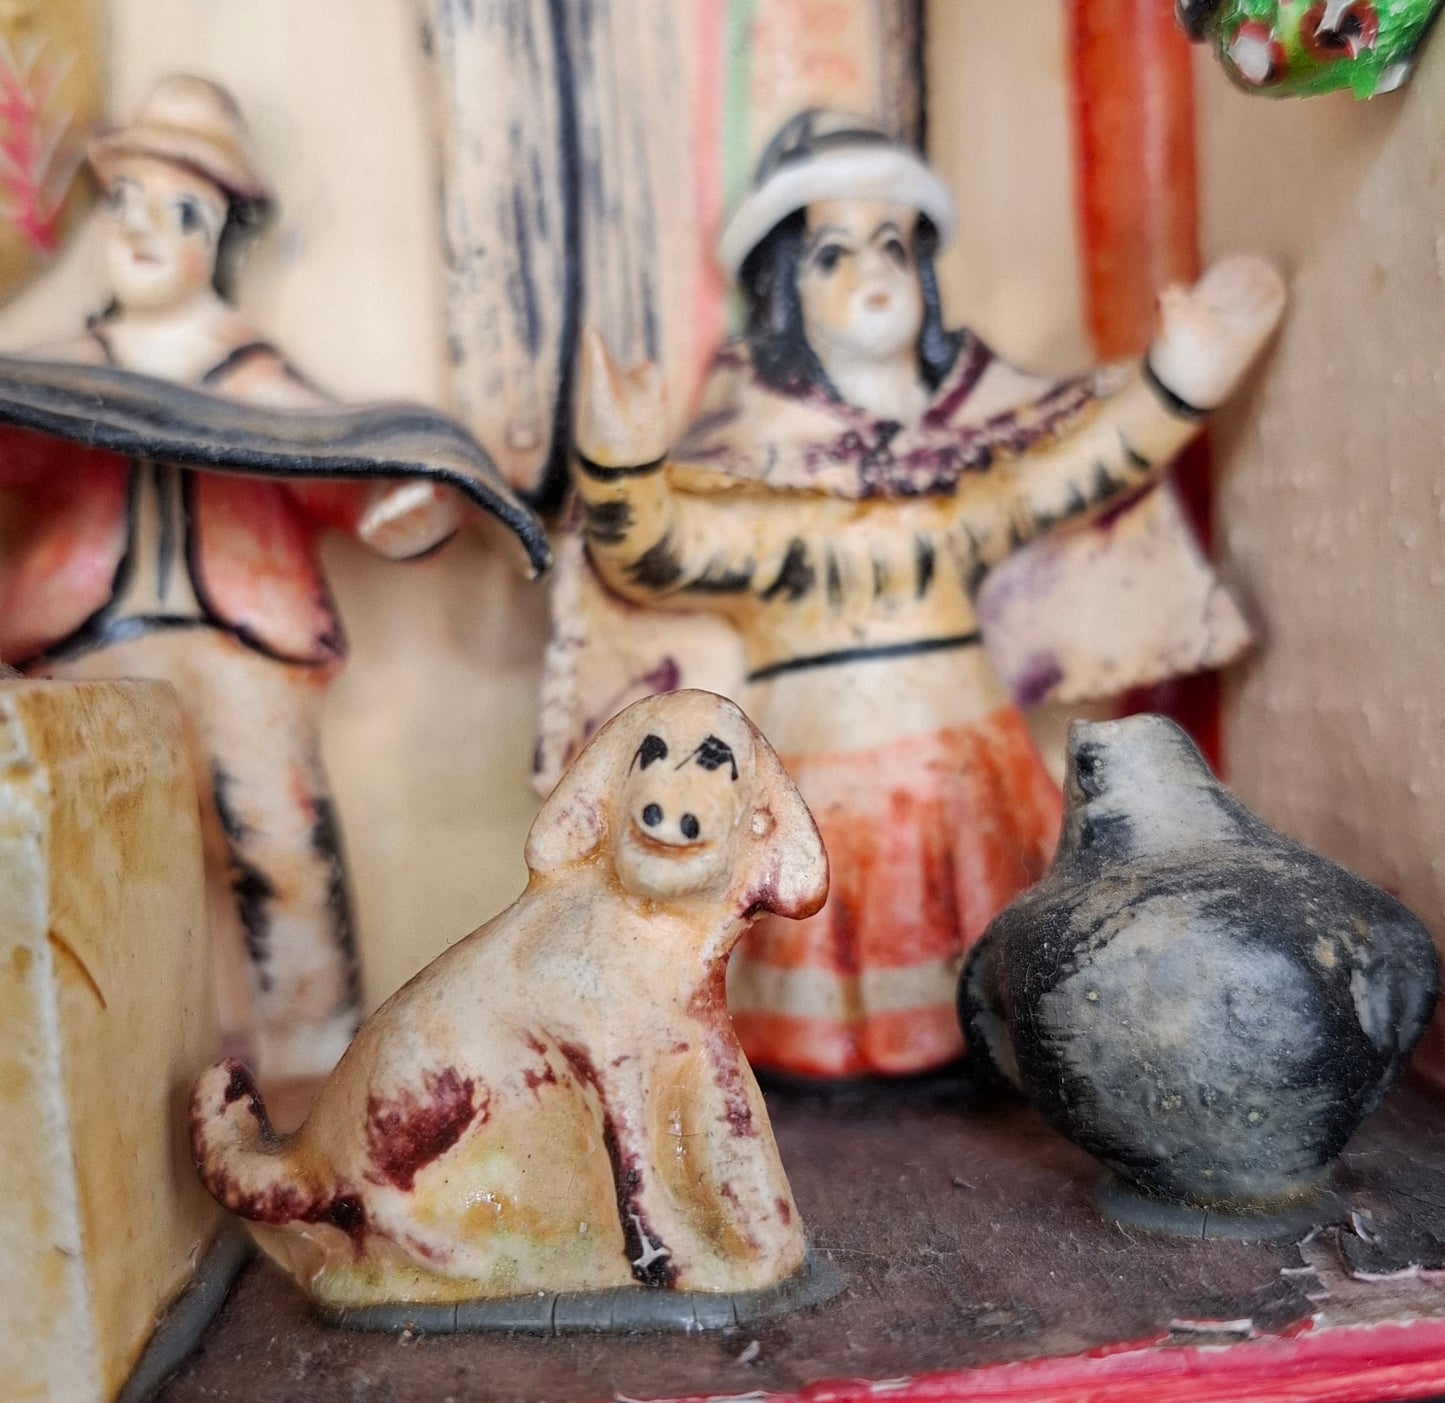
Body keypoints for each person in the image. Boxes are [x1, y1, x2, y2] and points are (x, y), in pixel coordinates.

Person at [561, 109, 1286, 1080]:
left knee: (1009, 986)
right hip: (818, 776)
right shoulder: (749, 483)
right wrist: (621, 467)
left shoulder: (956, 475)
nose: (869, 268)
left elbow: (1064, 474)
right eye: (829, 253)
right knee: (824, 996)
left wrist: (1176, 386)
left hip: (967, 762)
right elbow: (651, 553)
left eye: (890, 244)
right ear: (783, 292)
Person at [0, 76, 547, 1080]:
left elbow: (336, 473)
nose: (146, 230)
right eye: (128, 202)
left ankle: (312, 1063)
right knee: (84, 862)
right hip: (79, 651)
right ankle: (103, 1083)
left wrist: (404, 505)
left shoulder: (252, 379)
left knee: (278, 846)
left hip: (237, 649)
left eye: (181, 211)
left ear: (223, 234)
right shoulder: (57, 376)